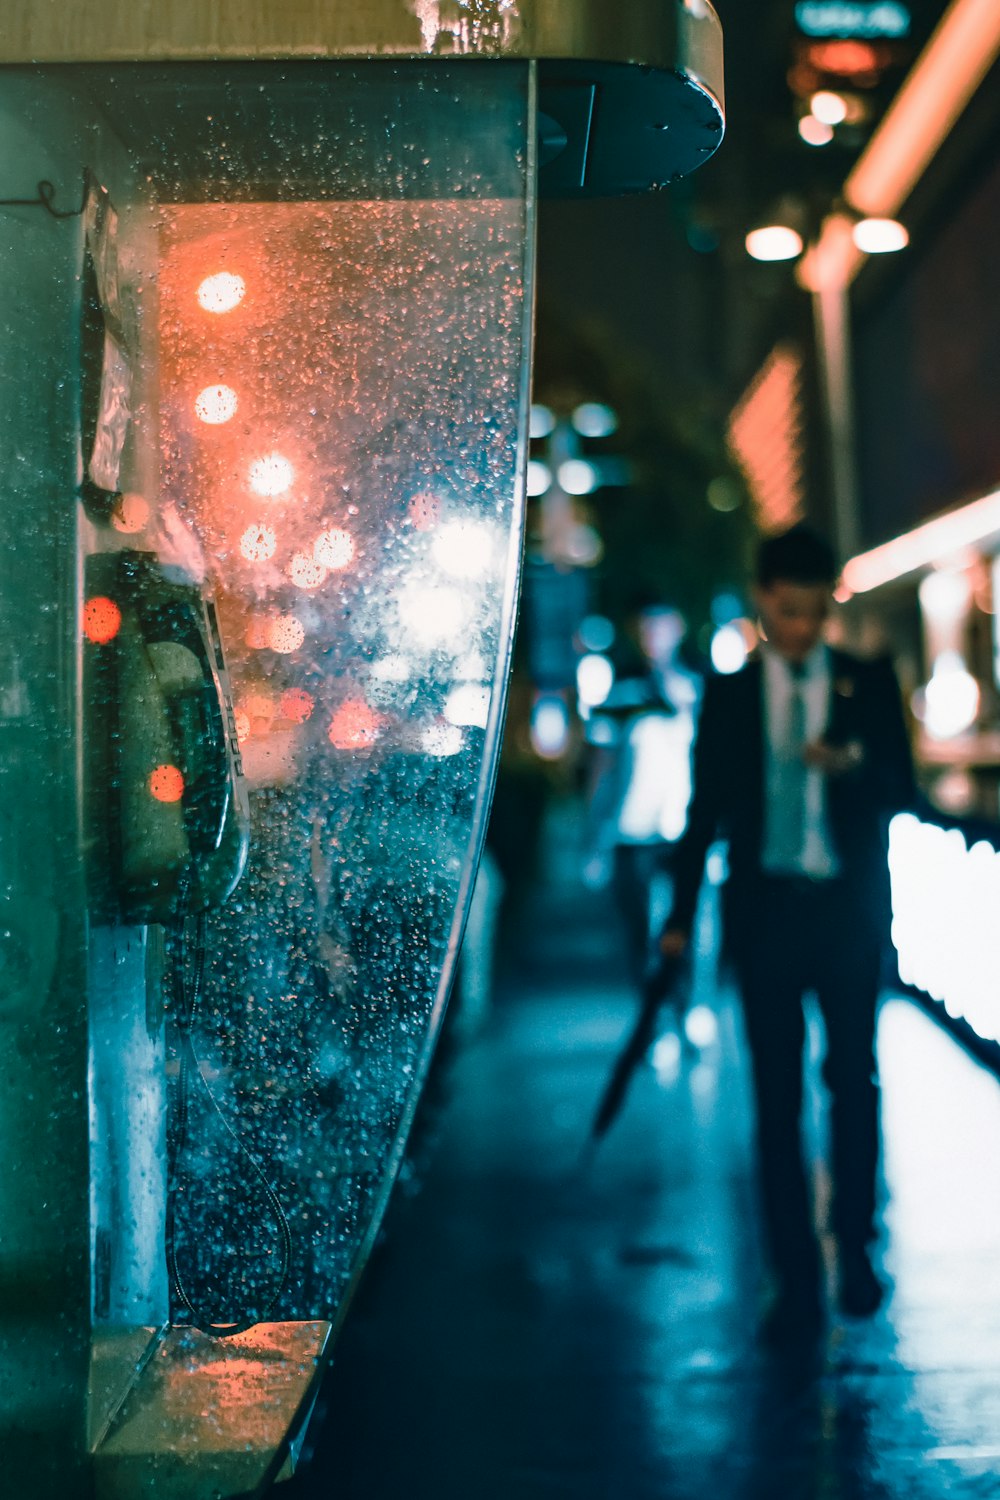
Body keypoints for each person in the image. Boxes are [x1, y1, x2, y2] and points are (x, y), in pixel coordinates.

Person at [659, 525, 915, 1341]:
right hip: (767, 914)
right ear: (765, 599)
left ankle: (857, 1249)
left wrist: (854, 767)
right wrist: (676, 920)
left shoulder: (867, 682)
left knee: (853, 1080)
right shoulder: (729, 692)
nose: (802, 630)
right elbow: (703, 811)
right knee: (774, 1099)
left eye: (815, 614)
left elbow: (903, 787)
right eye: (790, 612)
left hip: (845, 910)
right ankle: (793, 1272)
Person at [584, 600, 701, 997]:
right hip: (631, 830)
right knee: (639, 928)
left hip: (684, 828)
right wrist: (595, 835)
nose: (654, 638)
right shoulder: (621, 691)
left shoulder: (698, 688)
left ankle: (686, 1006)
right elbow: (602, 766)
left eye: (661, 627)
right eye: (647, 629)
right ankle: (654, 1015)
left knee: (686, 926)